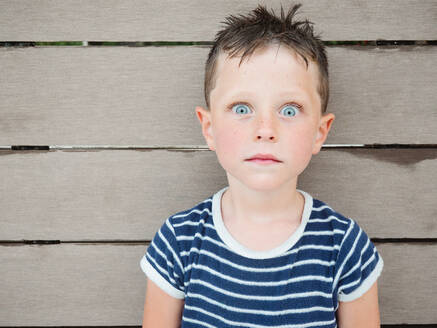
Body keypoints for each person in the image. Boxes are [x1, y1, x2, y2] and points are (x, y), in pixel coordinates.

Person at [140, 3, 384, 327]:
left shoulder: (344, 246)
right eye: (241, 108)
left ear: (320, 132)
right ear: (208, 128)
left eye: (290, 110)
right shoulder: (179, 241)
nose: (265, 130)